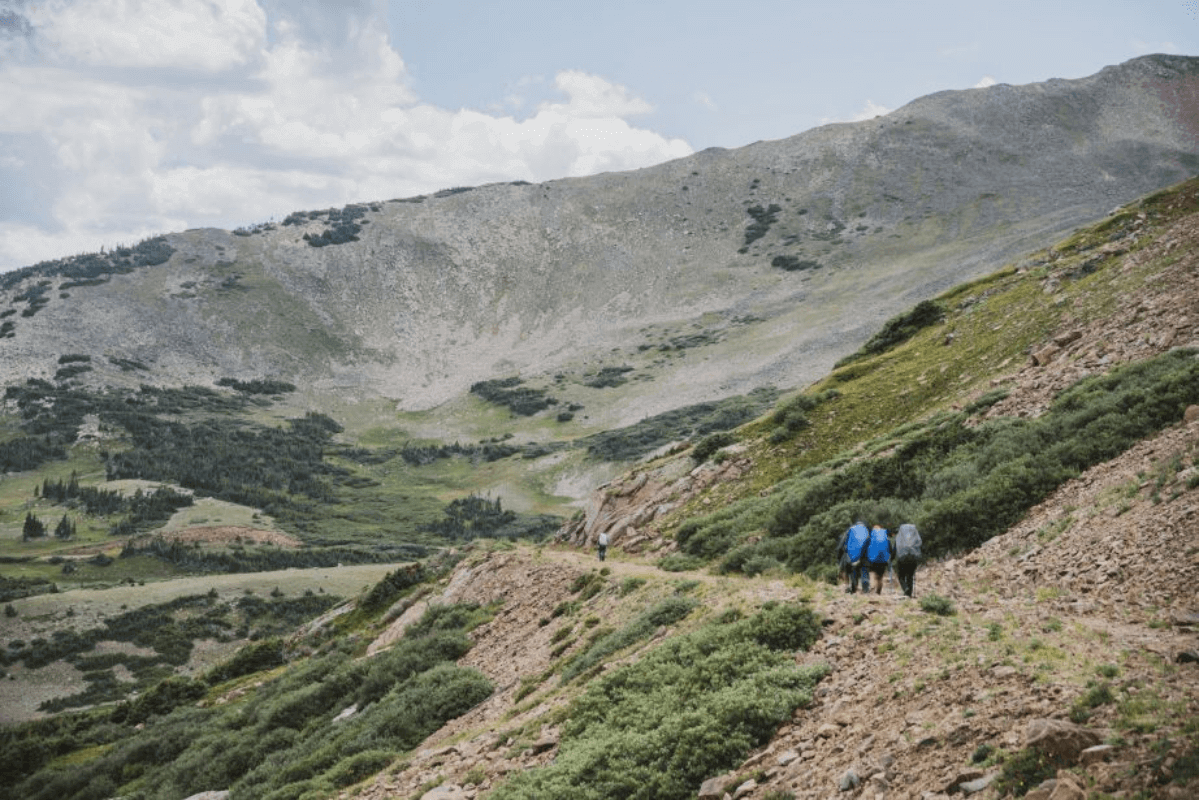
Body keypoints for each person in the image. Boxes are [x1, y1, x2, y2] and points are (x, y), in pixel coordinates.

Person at [894, 523, 922, 598]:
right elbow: (920, 543)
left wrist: (893, 557)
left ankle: (905, 588)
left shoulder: (899, 536)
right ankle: (909, 594)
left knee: (901, 575)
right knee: (910, 576)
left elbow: (895, 547)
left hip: (902, 557)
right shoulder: (915, 535)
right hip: (913, 557)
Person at [844, 521, 871, 594]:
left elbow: (846, 543)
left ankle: (853, 589)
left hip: (853, 555)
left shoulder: (851, 529)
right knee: (864, 571)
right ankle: (866, 590)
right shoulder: (866, 530)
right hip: (865, 555)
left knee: (854, 572)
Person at [866, 524, 892, 595]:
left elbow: (866, 547)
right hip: (883, 560)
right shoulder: (886, 537)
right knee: (880, 577)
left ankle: (872, 588)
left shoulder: (870, 536)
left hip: (873, 559)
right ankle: (878, 592)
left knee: (872, 574)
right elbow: (890, 549)